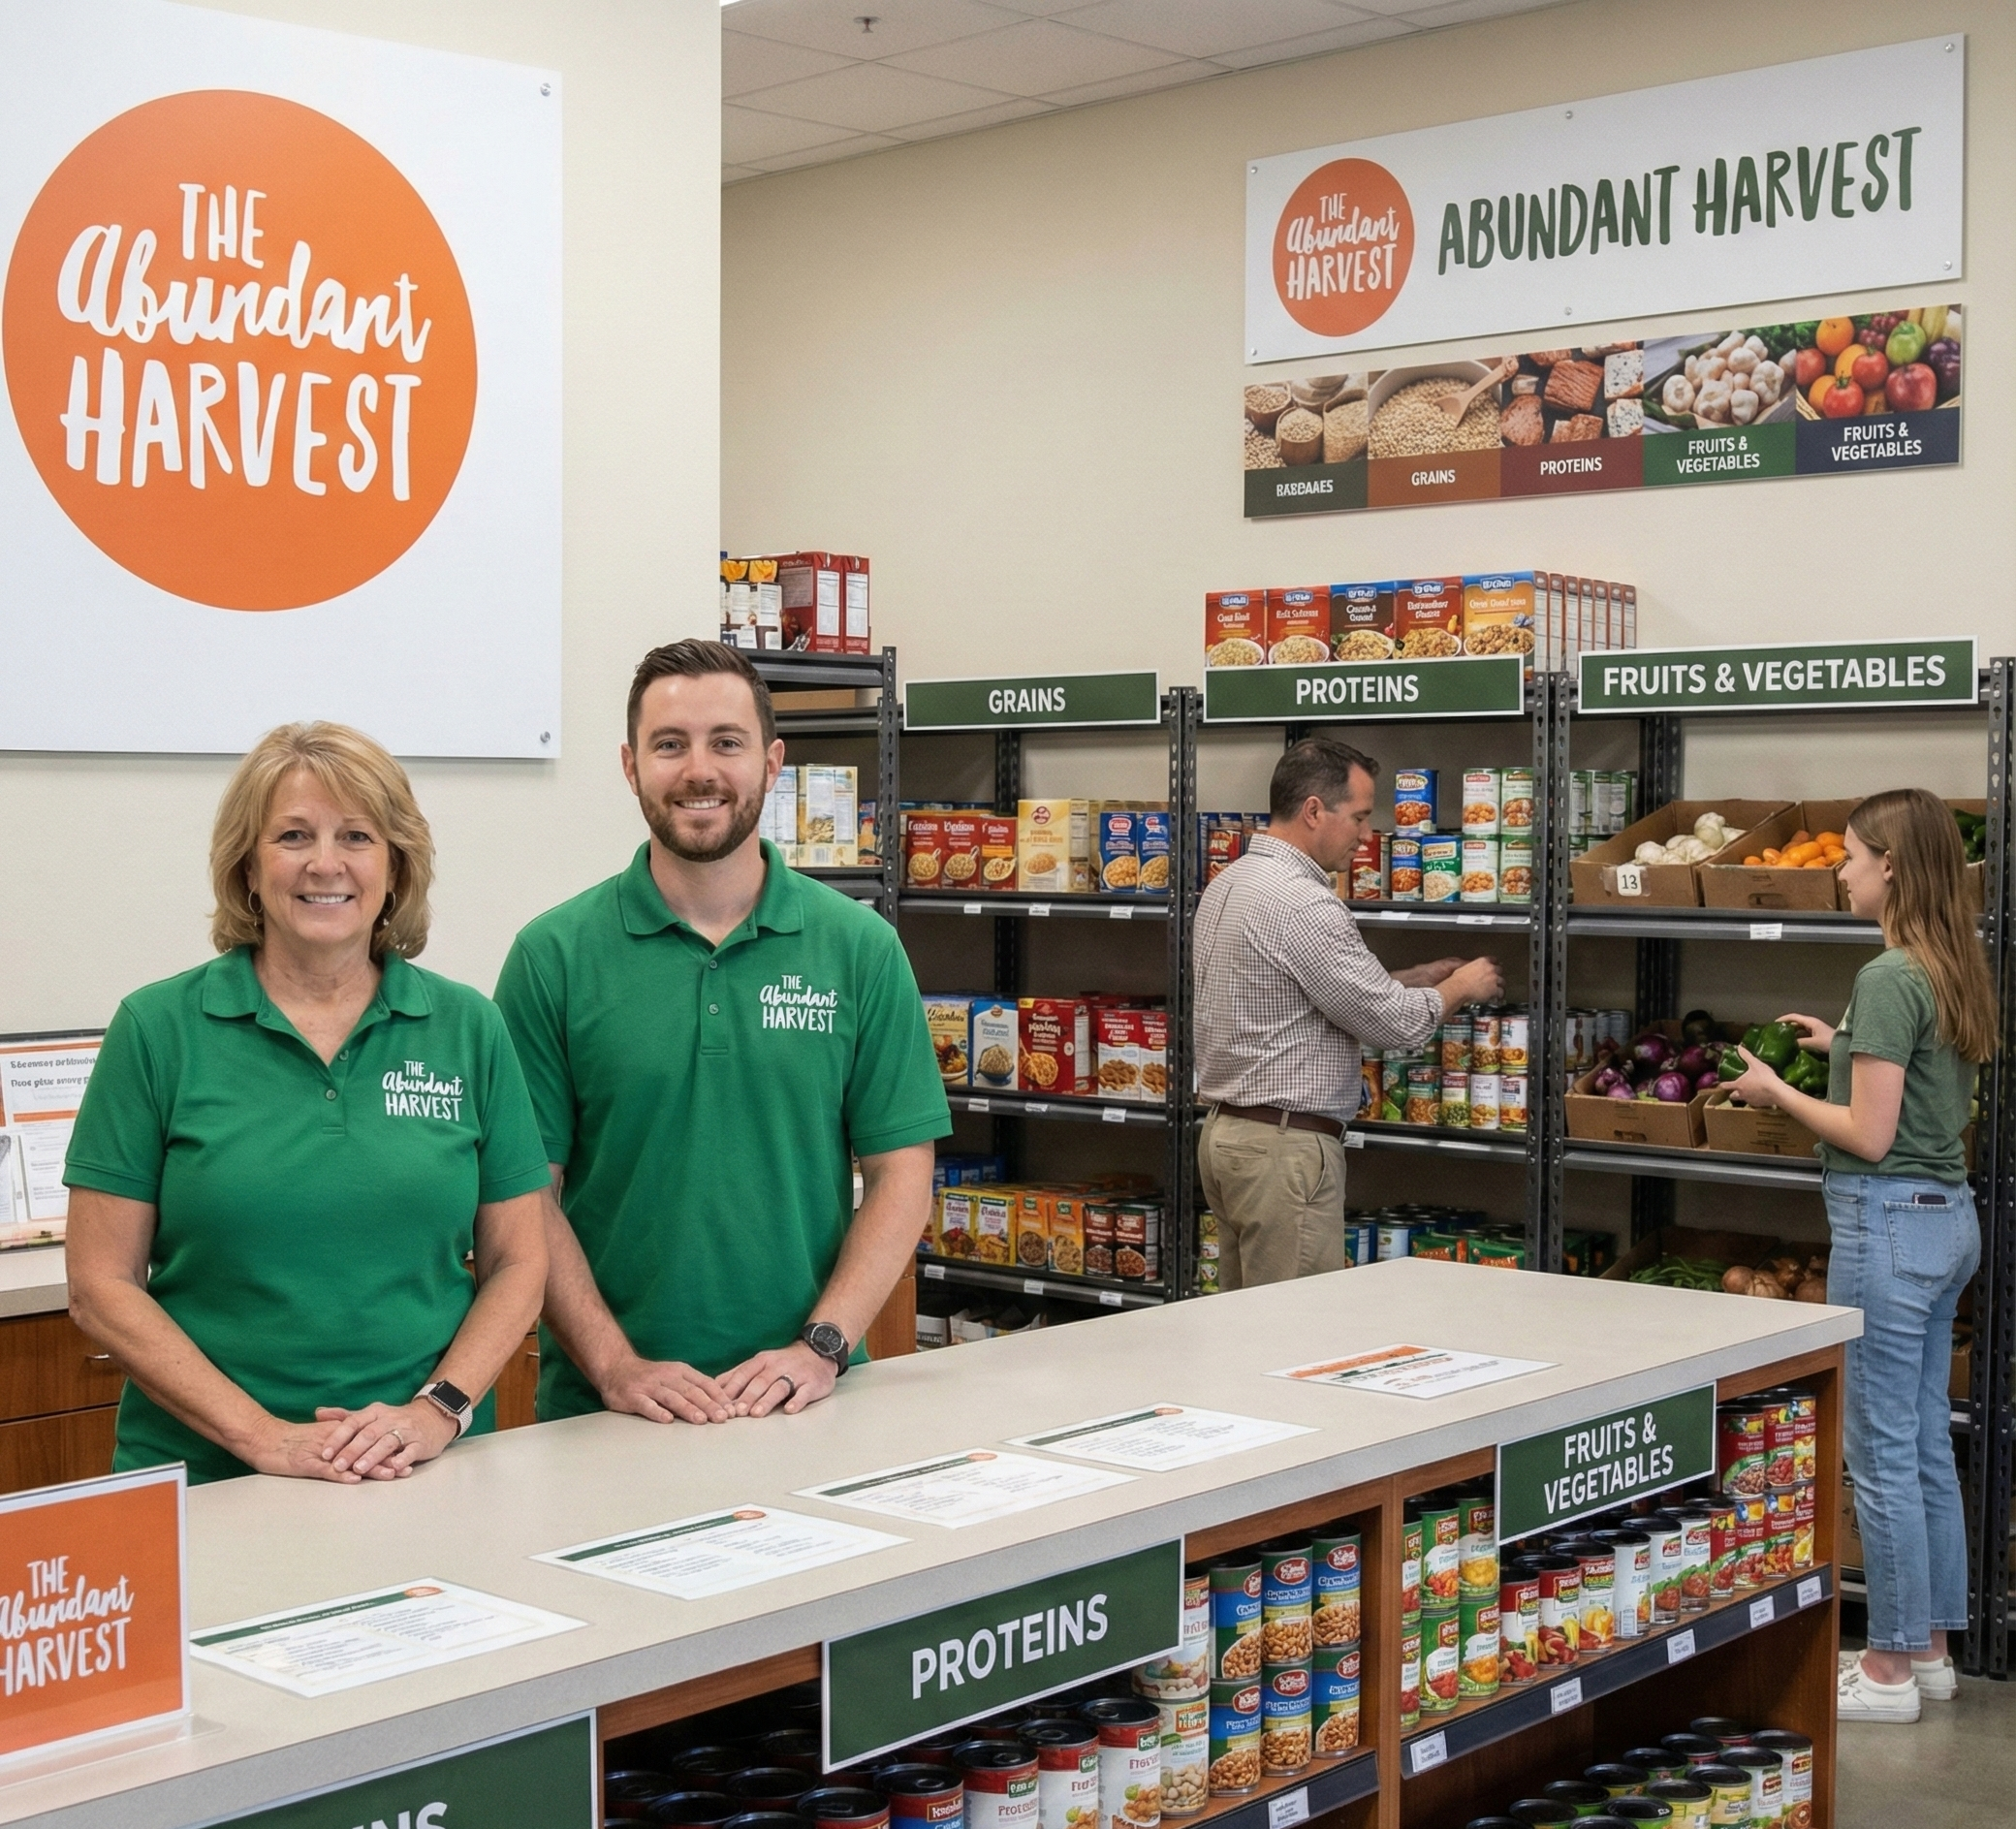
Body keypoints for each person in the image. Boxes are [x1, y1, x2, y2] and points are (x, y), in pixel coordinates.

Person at [64, 724, 551, 1485]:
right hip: (209, 1478)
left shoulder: (468, 1028)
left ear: (395, 866)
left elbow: (520, 1259)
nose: (326, 863)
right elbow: (100, 1285)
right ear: (248, 867)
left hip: (422, 1471)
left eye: (356, 835)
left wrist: (436, 1410)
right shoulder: (157, 1030)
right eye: (293, 835)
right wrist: (260, 1436)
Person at [494, 640, 949, 1428]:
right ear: (631, 766)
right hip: (606, 1415)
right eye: (669, 744)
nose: (698, 769)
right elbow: (528, 1194)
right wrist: (614, 1365)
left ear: (772, 763)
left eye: (726, 742)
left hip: (811, 1399)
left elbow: (902, 1173)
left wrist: (823, 1344)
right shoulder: (553, 956)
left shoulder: (858, 947)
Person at [1725, 788, 1995, 1724]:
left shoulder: (1887, 973)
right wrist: (1841, 1048)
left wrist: (1776, 1092)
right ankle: (1929, 1651)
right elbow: (1916, 1093)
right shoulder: (1949, 963)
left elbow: (1871, 1136)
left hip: (1887, 1223)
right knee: (1923, 1441)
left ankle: (1882, 1667)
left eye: (1854, 856)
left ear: (1892, 868)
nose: (1841, 871)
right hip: (1946, 1220)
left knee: (1878, 1451)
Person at [1193, 737, 1504, 1288]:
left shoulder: (1231, 884)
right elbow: (1395, 1025)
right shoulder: (1305, 902)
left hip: (1227, 1139)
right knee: (1289, 1334)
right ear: (1314, 810)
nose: (1366, 836)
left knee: (1239, 1330)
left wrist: (1410, 978)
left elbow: (1295, 996)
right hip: (1284, 1153)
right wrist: (1461, 985)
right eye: (1359, 817)